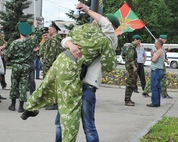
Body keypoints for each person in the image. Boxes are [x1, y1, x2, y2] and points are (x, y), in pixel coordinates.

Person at [20, 2, 119, 142]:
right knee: (70, 114)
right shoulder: (106, 41)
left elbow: (66, 38)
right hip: (74, 73)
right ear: (112, 27)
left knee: (45, 87)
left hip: (60, 61)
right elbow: (109, 66)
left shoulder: (82, 29)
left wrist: (70, 44)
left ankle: (30, 107)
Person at [5, 21, 41, 112]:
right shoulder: (31, 42)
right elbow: (39, 37)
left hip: (17, 66)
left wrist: (13, 59)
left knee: (14, 84)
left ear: (20, 32)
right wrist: (35, 26)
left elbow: (8, 55)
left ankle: (12, 105)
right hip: (26, 66)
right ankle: (21, 106)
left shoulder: (14, 43)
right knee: (23, 85)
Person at [43, 22, 65, 110]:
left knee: (51, 84)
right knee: (55, 83)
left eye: (49, 29)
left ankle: (54, 102)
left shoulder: (53, 40)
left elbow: (51, 54)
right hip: (57, 64)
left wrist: (47, 63)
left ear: (54, 30)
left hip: (51, 65)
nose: (48, 31)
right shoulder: (59, 39)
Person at [142, 34, 172, 99]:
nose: (165, 40)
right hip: (157, 66)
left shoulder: (161, 47)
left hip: (160, 65)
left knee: (162, 80)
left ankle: (164, 94)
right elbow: (156, 57)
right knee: (154, 80)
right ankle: (146, 91)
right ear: (161, 39)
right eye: (165, 39)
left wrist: (165, 61)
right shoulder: (155, 47)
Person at [147, 39, 165, 107]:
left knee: (154, 87)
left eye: (155, 44)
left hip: (156, 70)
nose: (155, 45)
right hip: (160, 70)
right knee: (157, 87)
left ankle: (154, 102)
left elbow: (154, 60)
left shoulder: (158, 51)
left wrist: (152, 56)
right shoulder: (162, 51)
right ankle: (157, 102)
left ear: (159, 44)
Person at [124, 35, 141, 106]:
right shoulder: (131, 47)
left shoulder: (132, 47)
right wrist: (134, 66)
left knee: (132, 83)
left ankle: (129, 99)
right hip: (131, 68)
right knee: (130, 83)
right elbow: (130, 58)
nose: (140, 42)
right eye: (139, 40)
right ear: (135, 40)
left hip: (130, 67)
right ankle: (127, 100)